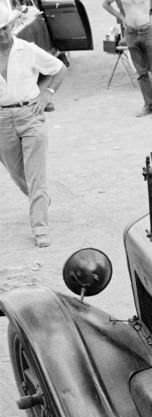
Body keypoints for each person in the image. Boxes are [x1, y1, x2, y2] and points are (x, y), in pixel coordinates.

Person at [0, 0, 66, 248]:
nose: (2, 35)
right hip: (2, 120)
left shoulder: (27, 49)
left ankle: (40, 227)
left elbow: (59, 69)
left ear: (12, 25)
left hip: (30, 116)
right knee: (18, 174)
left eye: (4, 28)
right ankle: (40, 201)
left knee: (36, 175)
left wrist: (46, 94)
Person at [102, 0, 152, 117]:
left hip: (147, 30)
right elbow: (105, 4)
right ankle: (148, 104)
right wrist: (121, 17)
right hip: (131, 32)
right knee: (141, 71)